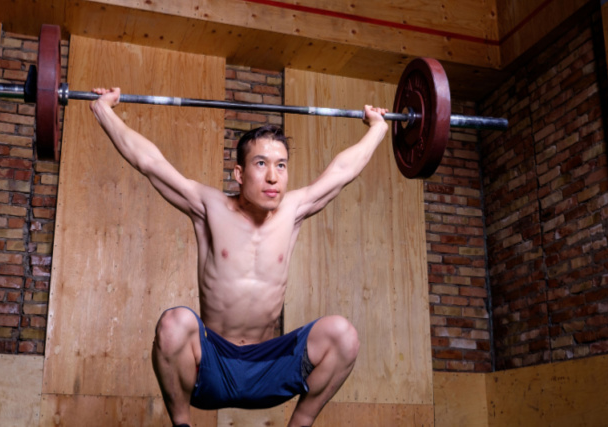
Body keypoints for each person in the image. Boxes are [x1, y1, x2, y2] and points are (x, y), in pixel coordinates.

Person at [90, 87, 389, 427]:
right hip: (211, 365)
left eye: (281, 165)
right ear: (239, 173)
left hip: (269, 365)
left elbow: (343, 171)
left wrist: (378, 127)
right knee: (176, 322)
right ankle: (181, 424)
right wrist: (103, 110)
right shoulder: (209, 206)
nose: (273, 177)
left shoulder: (293, 209)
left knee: (343, 335)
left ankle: (301, 424)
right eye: (261, 164)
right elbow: (149, 162)